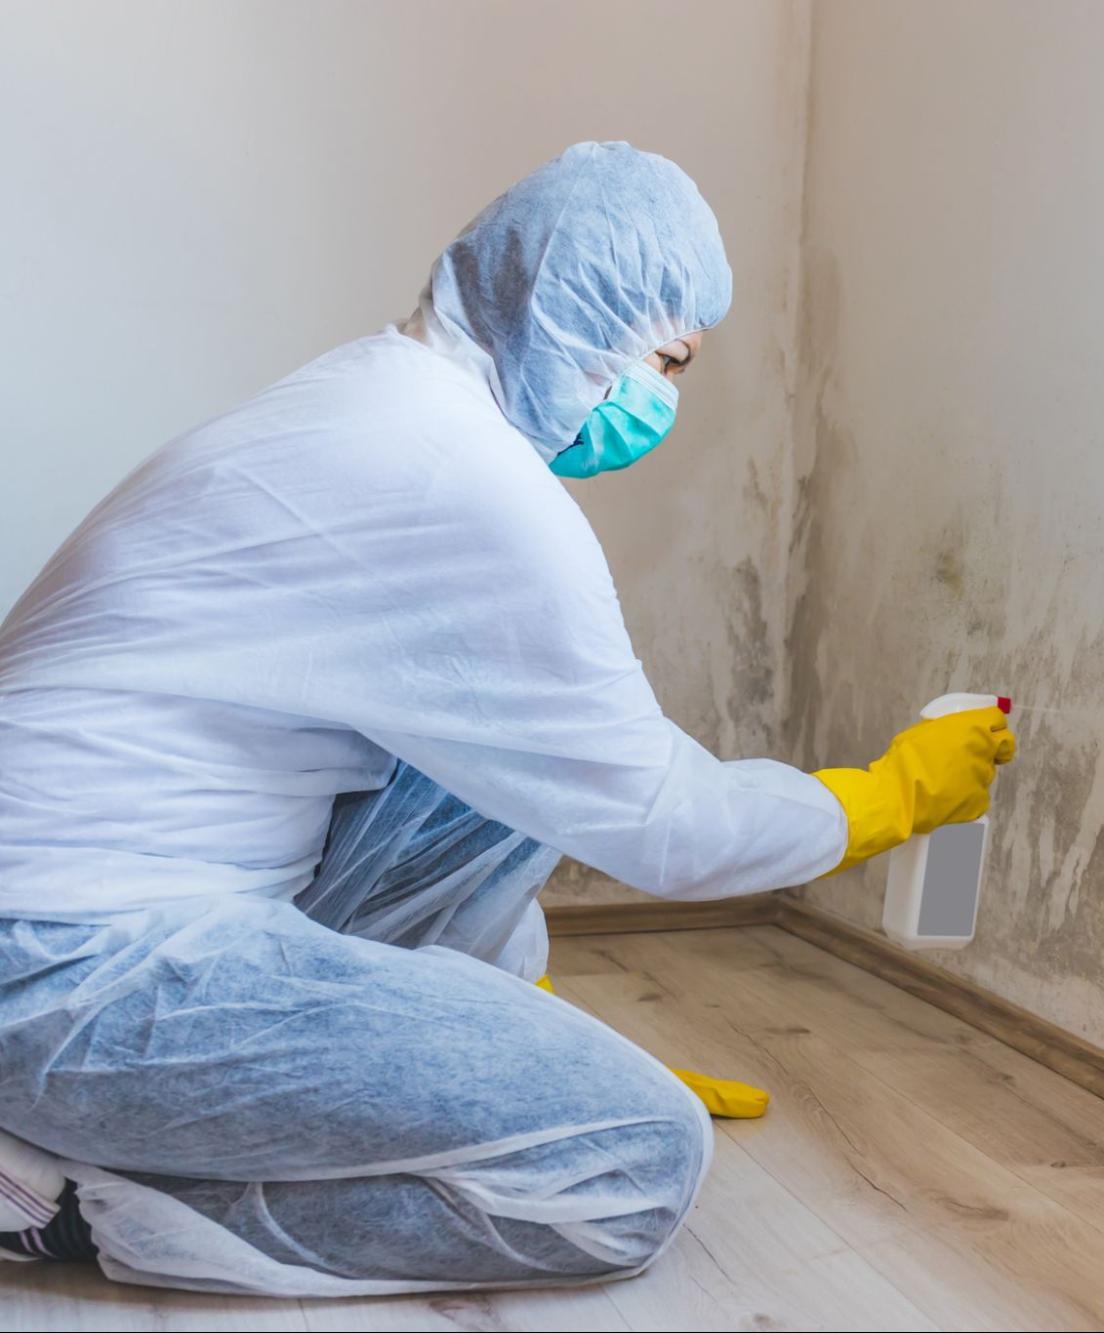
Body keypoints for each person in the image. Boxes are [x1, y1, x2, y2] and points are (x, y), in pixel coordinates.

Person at [0, 142, 1014, 1296]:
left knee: (486, 765)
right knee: (632, 1159)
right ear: (568, 312)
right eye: (665, 359)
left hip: (75, 913)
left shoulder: (368, 398)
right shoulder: (466, 482)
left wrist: (514, 1039)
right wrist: (889, 797)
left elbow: (531, 788)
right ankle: (67, 1195)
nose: (662, 400)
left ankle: (454, 1066)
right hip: (68, 973)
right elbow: (662, 822)